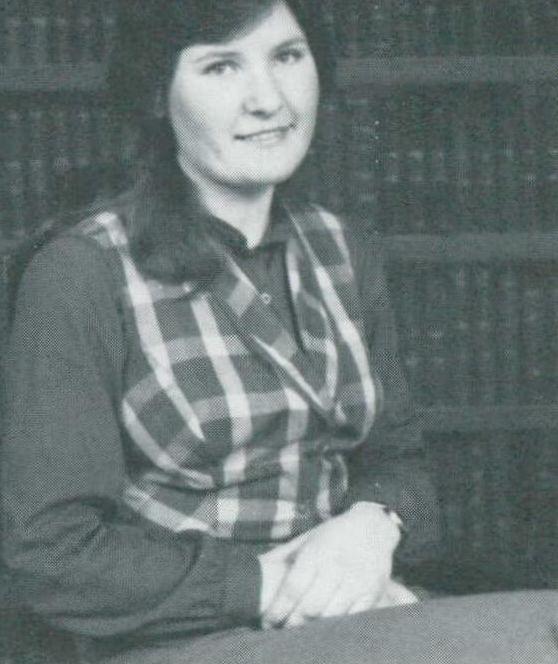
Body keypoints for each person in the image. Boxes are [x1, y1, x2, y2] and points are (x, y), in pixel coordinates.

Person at [1, 2, 557, 663]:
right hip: (184, 639)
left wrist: (373, 524)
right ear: (156, 95)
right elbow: (52, 554)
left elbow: (399, 462)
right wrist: (266, 585)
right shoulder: (80, 273)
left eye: (287, 57)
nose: (268, 100)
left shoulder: (342, 248)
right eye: (221, 67)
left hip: (346, 618)